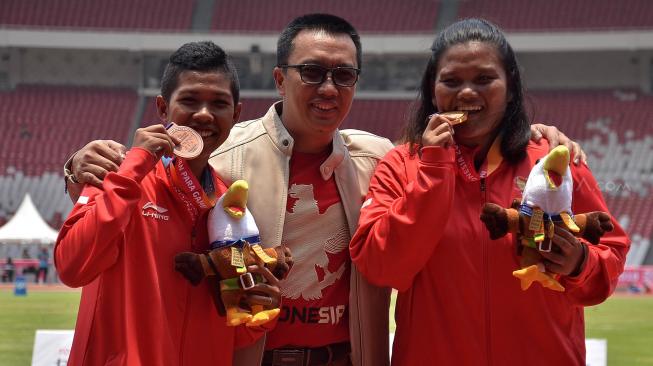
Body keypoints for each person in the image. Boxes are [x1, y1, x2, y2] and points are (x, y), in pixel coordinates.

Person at [64, 14, 585, 366]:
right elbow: (142, 190)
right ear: (279, 78)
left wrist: (541, 132)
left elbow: (441, 168)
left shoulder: (381, 158)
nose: (329, 88)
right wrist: (79, 166)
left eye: (344, 74)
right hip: (250, 356)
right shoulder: (222, 155)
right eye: (312, 72)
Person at [349, 18, 630, 365]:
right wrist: (434, 170)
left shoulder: (555, 161)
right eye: (451, 81)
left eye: (484, 79)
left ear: (510, 87)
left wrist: (579, 263)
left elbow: (610, 256)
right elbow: (382, 268)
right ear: (432, 90)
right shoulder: (401, 164)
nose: (467, 92)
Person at [55, 41, 283, 366]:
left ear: (235, 115)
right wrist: (134, 166)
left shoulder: (230, 204)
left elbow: (231, 329)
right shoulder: (120, 175)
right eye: (189, 100)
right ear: (163, 108)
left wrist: (260, 312)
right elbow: (72, 266)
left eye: (218, 103)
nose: (204, 114)